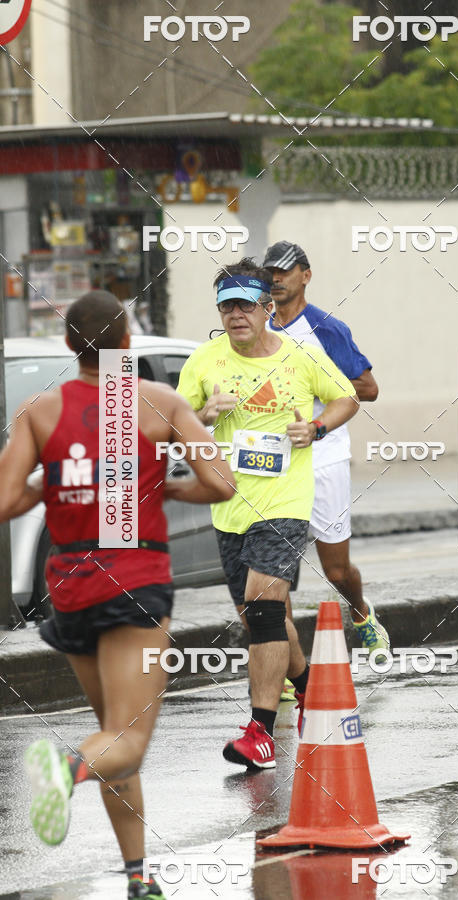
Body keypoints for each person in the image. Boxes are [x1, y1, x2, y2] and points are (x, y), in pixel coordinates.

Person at [0, 290, 234, 900]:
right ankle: (62, 769)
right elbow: (221, 483)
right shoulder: (159, 403)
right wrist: (169, 490)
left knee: (113, 735)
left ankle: (140, 877)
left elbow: (4, 503)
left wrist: (53, 480)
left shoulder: (39, 412)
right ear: (127, 344)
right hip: (134, 584)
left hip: (70, 589)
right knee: (125, 739)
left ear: (70, 346)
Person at [176, 259, 358, 769]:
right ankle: (313, 689)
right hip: (229, 505)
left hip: (285, 502)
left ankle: (260, 732)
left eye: (245, 305)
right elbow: (172, 423)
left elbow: (346, 398)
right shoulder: (204, 362)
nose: (236, 315)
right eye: (226, 306)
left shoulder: (300, 357)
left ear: (266, 307)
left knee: (262, 607)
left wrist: (317, 428)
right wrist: (203, 417)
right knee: (264, 619)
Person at [262, 241, 389, 654]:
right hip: (274, 462)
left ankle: (360, 613)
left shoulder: (326, 329)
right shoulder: (256, 328)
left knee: (336, 569)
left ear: (306, 276)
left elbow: (368, 389)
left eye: (285, 271)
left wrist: (314, 382)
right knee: (272, 570)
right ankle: (281, 660)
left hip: (324, 457)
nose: (276, 279)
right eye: (271, 273)